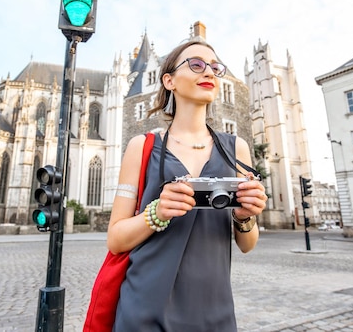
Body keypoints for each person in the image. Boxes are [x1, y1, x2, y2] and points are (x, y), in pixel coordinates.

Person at [107, 39, 268, 331]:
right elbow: (115, 239)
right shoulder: (141, 147)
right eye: (196, 64)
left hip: (213, 311)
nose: (209, 72)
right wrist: (157, 212)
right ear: (169, 80)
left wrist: (245, 217)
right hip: (143, 310)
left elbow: (247, 244)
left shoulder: (237, 149)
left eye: (215, 67)